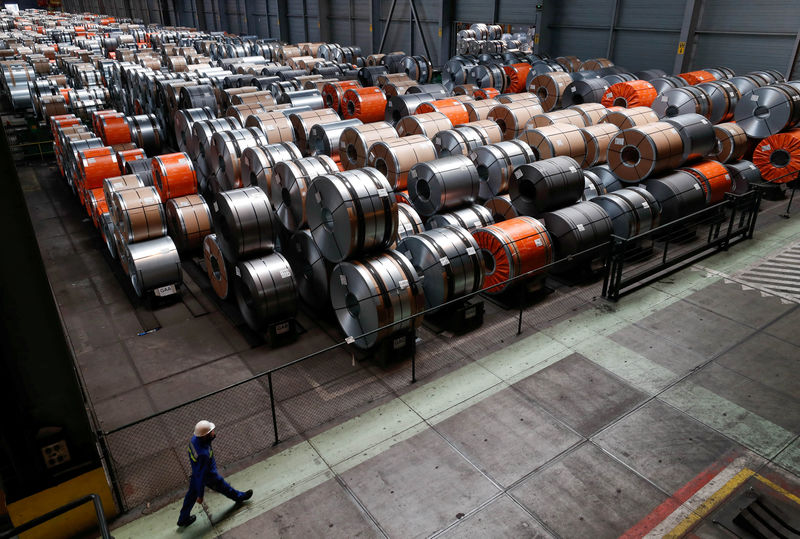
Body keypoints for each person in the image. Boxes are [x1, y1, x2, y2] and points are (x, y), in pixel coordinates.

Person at [176, 420, 253, 527]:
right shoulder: (204, 454)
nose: (213, 433)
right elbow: (202, 476)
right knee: (225, 488)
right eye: (211, 432)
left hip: (195, 473)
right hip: (209, 476)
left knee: (190, 497)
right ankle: (239, 497)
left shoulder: (194, 440)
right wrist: (201, 495)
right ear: (205, 436)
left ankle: (183, 519)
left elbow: (198, 470)